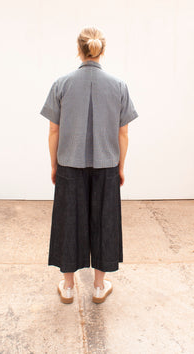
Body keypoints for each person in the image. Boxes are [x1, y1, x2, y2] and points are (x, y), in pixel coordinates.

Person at [40, 26, 139, 304]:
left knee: (69, 222)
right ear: (102, 50)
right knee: (104, 222)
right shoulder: (119, 85)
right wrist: (120, 167)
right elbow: (123, 133)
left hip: (69, 166)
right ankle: (98, 286)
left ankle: (68, 287)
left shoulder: (62, 84)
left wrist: (54, 165)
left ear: (79, 49)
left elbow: (53, 131)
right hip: (107, 166)